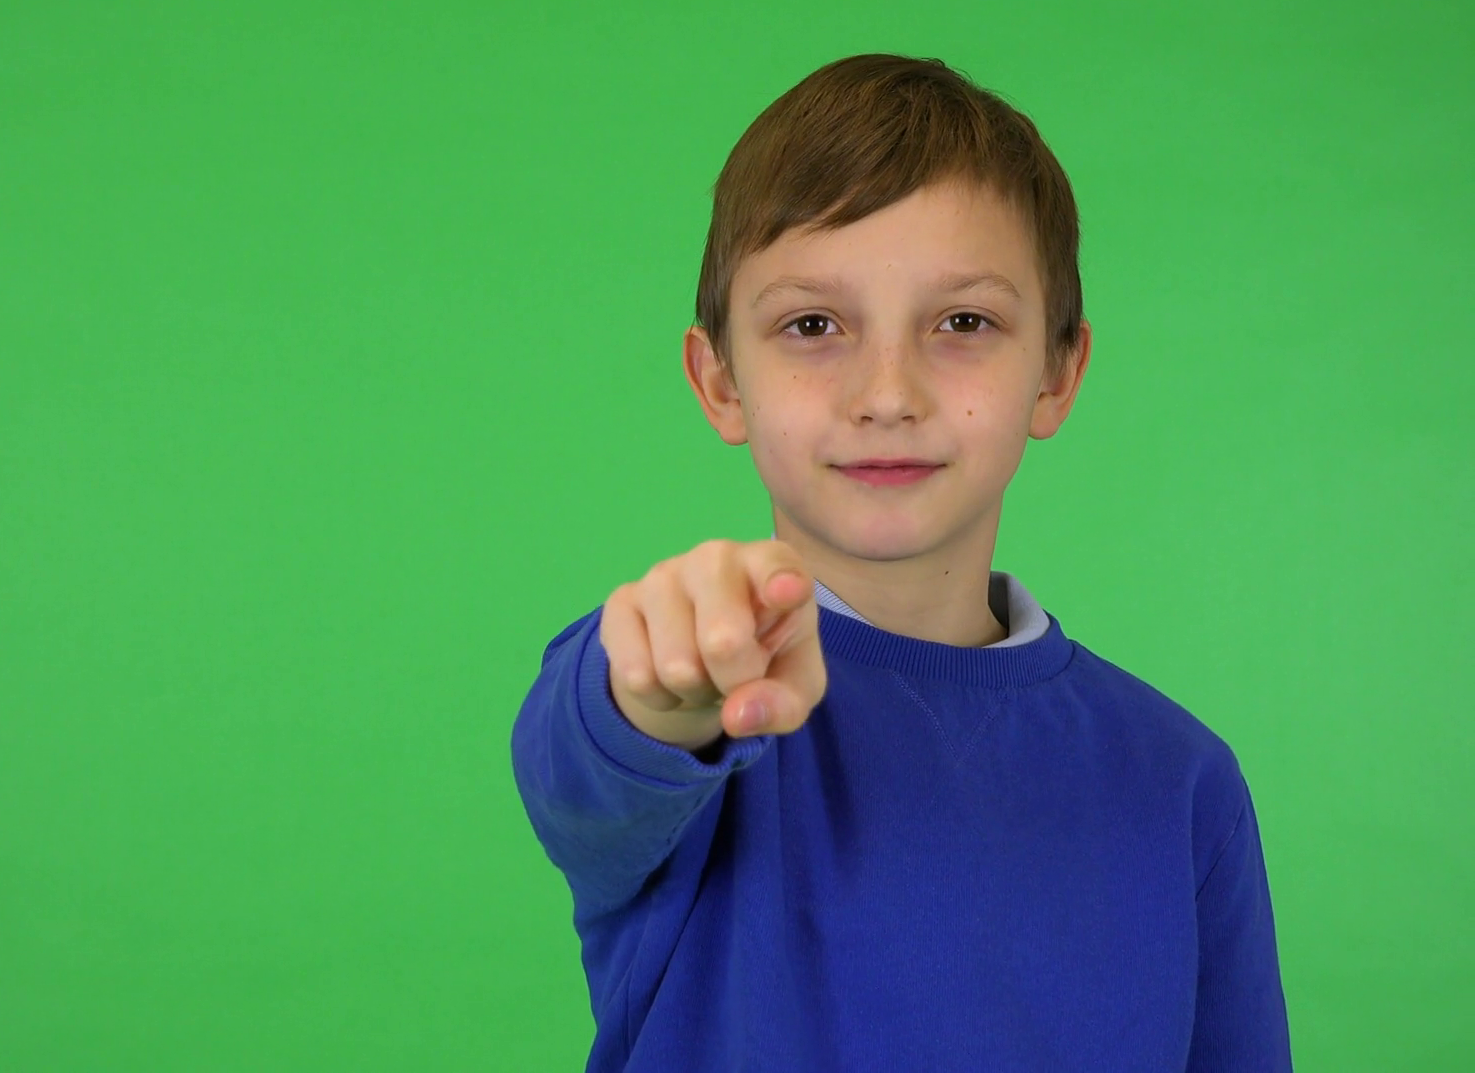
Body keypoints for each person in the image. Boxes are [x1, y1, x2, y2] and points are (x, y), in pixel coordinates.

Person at [509, 53, 1291, 1071]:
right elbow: (591, 755)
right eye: (814, 325)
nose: (888, 392)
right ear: (720, 382)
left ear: (1056, 372)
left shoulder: (1184, 782)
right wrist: (663, 690)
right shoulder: (697, 704)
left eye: (962, 322)